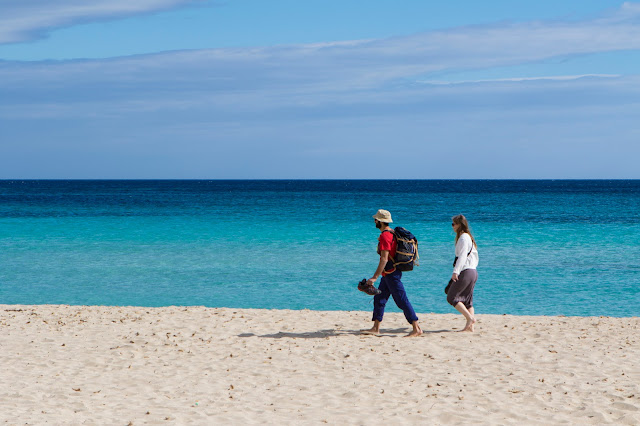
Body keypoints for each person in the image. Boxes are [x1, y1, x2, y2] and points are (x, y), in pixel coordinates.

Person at [362, 209, 422, 337]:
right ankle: (376, 328)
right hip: (388, 273)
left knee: (401, 300)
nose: (374, 221)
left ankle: (416, 328)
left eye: (376, 220)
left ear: (380, 221)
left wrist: (374, 277)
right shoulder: (391, 233)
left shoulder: (385, 236)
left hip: (391, 273)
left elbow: (384, 258)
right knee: (379, 298)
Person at [447, 214, 479, 332]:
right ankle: (470, 327)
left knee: (451, 297)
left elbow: (462, 256)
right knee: (467, 301)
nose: (452, 226)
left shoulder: (464, 238)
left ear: (459, 225)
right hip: (473, 271)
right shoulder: (468, 237)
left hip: (466, 271)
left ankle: (470, 319)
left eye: (453, 224)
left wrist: (456, 271)